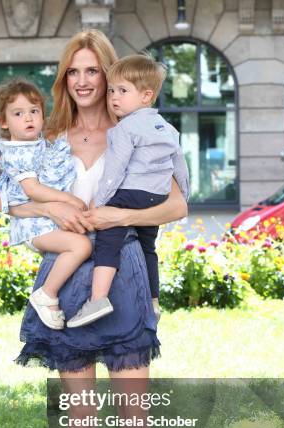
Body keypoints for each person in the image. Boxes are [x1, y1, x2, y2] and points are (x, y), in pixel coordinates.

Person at [0, 30, 188, 428]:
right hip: (65, 279)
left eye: (92, 71)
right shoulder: (46, 134)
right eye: (72, 71)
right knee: (80, 416)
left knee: (136, 415)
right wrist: (54, 211)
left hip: (122, 276)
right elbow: (6, 193)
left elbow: (176, 204)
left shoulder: (140, 130)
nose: (82, 80)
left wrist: (114, 218)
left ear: (109, 74)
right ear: (64, 78)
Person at [67, 53, 189, 328]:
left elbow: (115, 170)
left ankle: (97, 298)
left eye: (122, 91)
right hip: (155, 196)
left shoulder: (125, 128)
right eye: (112, 90)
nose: (114, 97)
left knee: (109, 237)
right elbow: (179, 166)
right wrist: (185, 191)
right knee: (149, 248)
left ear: (146, 96)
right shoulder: (167, 128)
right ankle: (154, 301)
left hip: (132, 193)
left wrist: (102, 203)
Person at [0, 77, 92, 330]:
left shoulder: (37, 145)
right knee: (80, 246)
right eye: (18, 113)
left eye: (34, 111)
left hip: (42, 222)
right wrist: (69, 198)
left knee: (83, 238)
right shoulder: (17, 152)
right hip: (33, 227)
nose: (28, 118)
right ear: (4, 122)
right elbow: (32, 189)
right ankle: (47, 294)